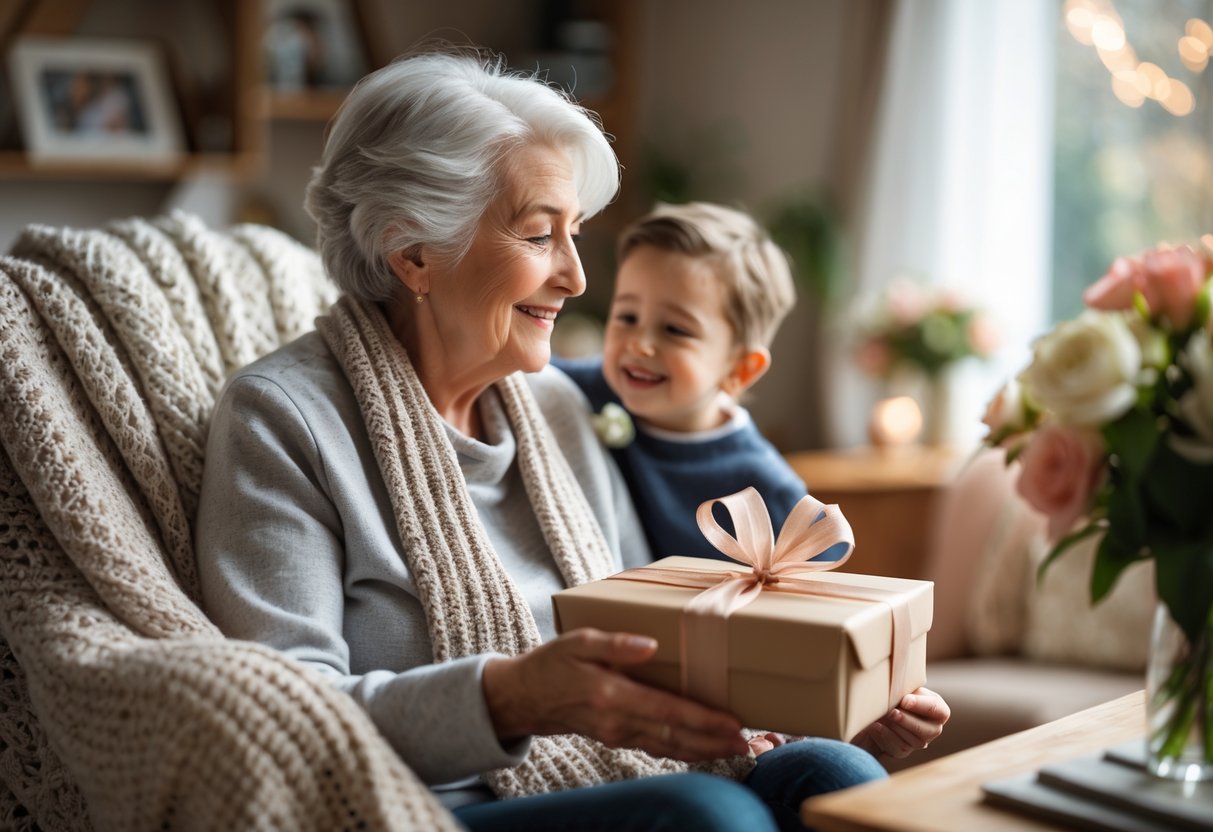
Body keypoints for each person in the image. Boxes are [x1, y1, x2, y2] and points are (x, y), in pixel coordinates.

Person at [195, 47, 949, 832]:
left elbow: (651, 635)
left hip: (610, 770)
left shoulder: (554, 405)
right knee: (703, 814)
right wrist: (511, 696)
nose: (577, 278)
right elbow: (284, 714)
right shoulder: (282, 416)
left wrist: (825, 700)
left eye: (574, 234)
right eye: (537, 236)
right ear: (414, 252)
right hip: (427, 807)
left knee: (835, 771)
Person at [556, 201, 845, 562]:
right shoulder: (581, 387)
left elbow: (820, 572)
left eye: (674, 329)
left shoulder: (760, 484)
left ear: (739, 370)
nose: (639, 344)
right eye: (627, 317)